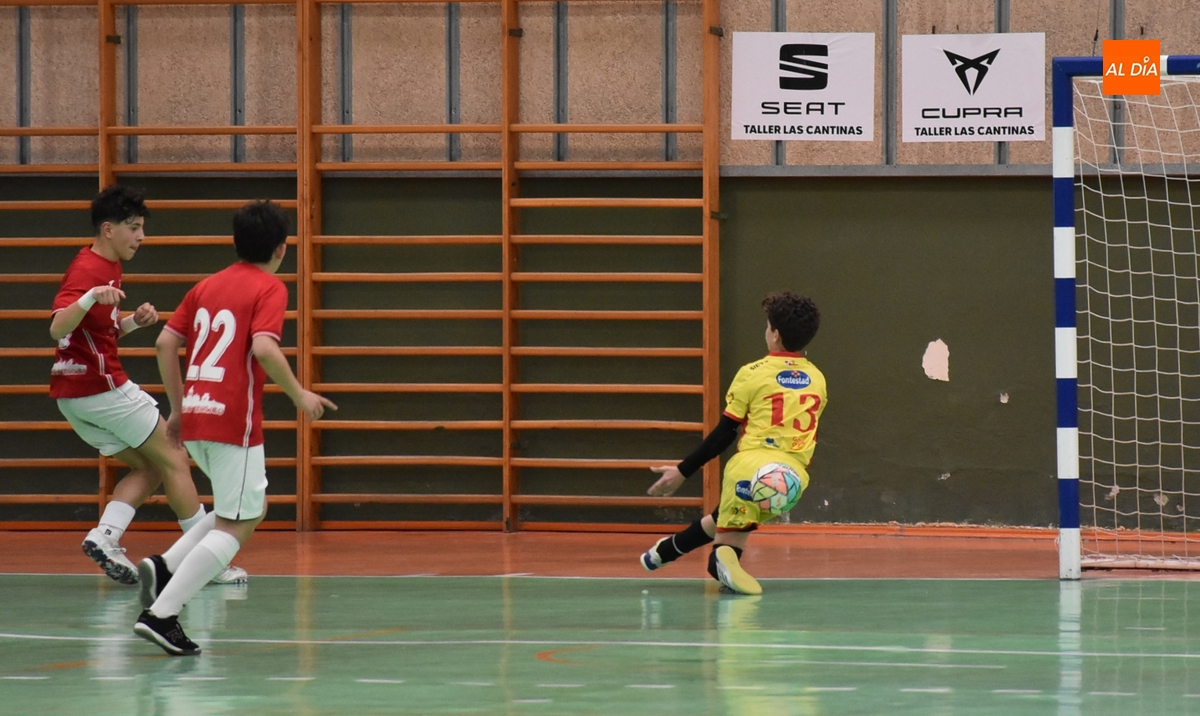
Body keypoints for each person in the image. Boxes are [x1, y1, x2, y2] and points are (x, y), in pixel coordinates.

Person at [134, 199, 336, 656]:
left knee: (242, 508)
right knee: (240, 521)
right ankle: (162, 614)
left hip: (196, 414)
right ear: (282, 249)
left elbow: (165, 343)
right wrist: (299, 394)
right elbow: (264, 348)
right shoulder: (269, 288)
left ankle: (166, 566)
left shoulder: (206, 286)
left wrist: (178, 408)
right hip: (231, 419)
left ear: (235, 242)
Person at [51, 185, 246, 587]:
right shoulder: (89, 270)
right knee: (175, 456)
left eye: (142, 227)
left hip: (74, 397)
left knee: (151, 466)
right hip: (100, 389)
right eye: (133, 227)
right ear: (108, 229)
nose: (141, 236)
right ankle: (205, 561)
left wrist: (132, 323)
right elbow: (57, 327)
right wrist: (89, 297)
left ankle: (104, 536)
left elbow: (95, 334)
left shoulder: (108, 265)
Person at [640, 291, 826, 595]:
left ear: (775, 334)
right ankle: (666, 551)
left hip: (749, 467)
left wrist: (683, 470)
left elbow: (725, 432)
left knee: (729, 537)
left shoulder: (752, 373)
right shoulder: (818, 379)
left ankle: (722, 559)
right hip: (791, 480)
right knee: (728, 515)